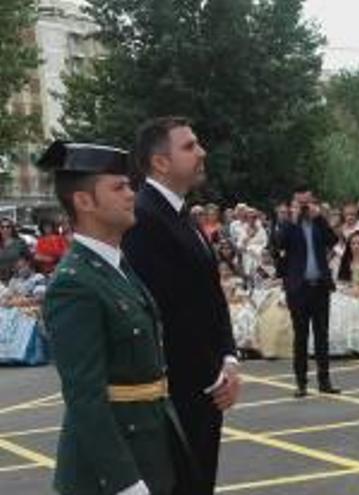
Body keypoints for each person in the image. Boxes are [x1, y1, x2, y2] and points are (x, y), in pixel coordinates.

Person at [38, 141, 188, 495]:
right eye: (118, 187)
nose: (131, 194)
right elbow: (84, 397)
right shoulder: (74, 284)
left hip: (149, 454)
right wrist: (124, 482)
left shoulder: (115, 267)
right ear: (84, 202)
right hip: (108, 477)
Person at [122, 117, 241, 495]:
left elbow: (210, 295)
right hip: (177, 393)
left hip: (206, 385)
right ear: (160, 162)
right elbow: (161, 314)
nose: (202, 152)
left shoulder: (181, 214)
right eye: (189, 146)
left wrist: (229, 358)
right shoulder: (144, 217)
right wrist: (210, 372)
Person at [279, 188, 341, 397]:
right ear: (294, 203)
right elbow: (278, 245)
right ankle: (301, 383)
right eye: (301, 203)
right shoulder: (288, 225)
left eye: (308, 202)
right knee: (301, 337)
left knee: (322, 335)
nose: (305, 207)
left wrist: (321, 218)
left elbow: (333, 241)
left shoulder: (318, 223)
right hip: (299, 289)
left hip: (320, 286)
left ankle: (325, 381)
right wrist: (292, 220)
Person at [0, 218, 28, 283]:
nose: (5, 229)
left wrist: (23, 263)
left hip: (17, 279)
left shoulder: (20, 242)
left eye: (8, 227)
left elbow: (27, 259)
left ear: (12, 228)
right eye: (2, 227)